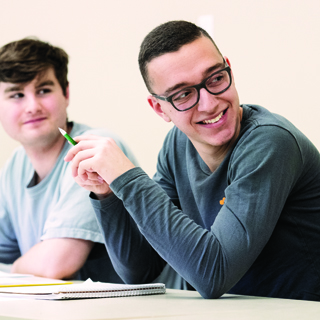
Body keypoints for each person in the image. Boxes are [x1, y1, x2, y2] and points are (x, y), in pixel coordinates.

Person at [65, 20, 320, 301]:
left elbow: (213, 275)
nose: (210, 103)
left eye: (216, 78)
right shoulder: (177, 145)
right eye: (184, 94)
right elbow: (140, 270)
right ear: (159, 109)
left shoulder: (269, 142)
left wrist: (128, 178)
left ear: (229, 69)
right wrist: (108, 193)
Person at [0, 37, 137, 281]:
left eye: (43, 90)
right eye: (17, 94)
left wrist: (16, 269)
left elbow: (57, 264)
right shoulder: (16, 164)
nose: (32, 106)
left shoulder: (94, 149)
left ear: (66, 93)